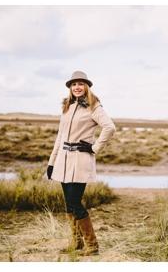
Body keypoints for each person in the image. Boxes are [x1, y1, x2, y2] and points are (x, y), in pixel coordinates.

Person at [46, 70, 116, 256]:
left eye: (81, 84)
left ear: (86, 87)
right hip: (63, 160)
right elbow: (60, 136)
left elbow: (109, 127)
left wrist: (94, 148)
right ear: (70, 87)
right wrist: (52, 162)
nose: (77, 87)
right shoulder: (67, 107)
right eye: (74, 84)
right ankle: (76, 243)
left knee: (75, 203)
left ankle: (92, 246)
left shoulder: (94, 106)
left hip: (80, 160)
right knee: (69, 205)